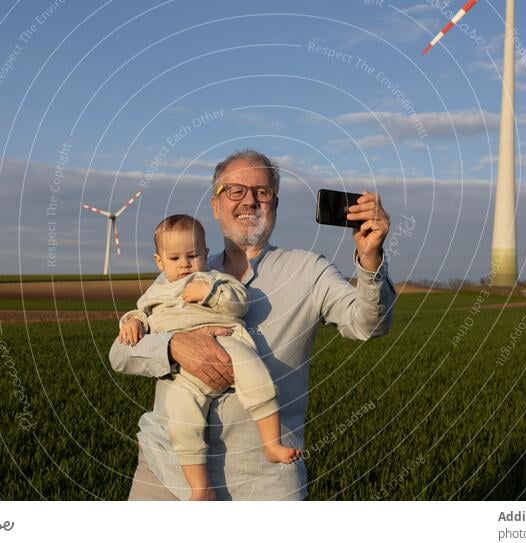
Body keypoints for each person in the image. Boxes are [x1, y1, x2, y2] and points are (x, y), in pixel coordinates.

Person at [109, 149, 396, 500]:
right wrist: (172, 346)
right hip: (167, 471)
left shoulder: (309, 271)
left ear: (274, 204)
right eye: (236, 191)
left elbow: (369, 325)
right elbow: (120, 353)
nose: (250, 200)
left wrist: (370, 257)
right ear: (216, 206)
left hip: (264, 481)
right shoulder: (179, 273)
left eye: (262, 192)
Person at [118, 214, 302, 500]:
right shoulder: (157, 290)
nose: (184, 265)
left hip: (226, 341)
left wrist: (210, 293)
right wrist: (131, 322)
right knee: (182, 416)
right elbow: (141, 315)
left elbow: (239, 303)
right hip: (183, 372)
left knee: (255, 376)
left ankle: (271, 442)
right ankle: (200, 487)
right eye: (175, 258)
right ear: (159, 261)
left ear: (205, 253)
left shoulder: (214, 279)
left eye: (192, 255)